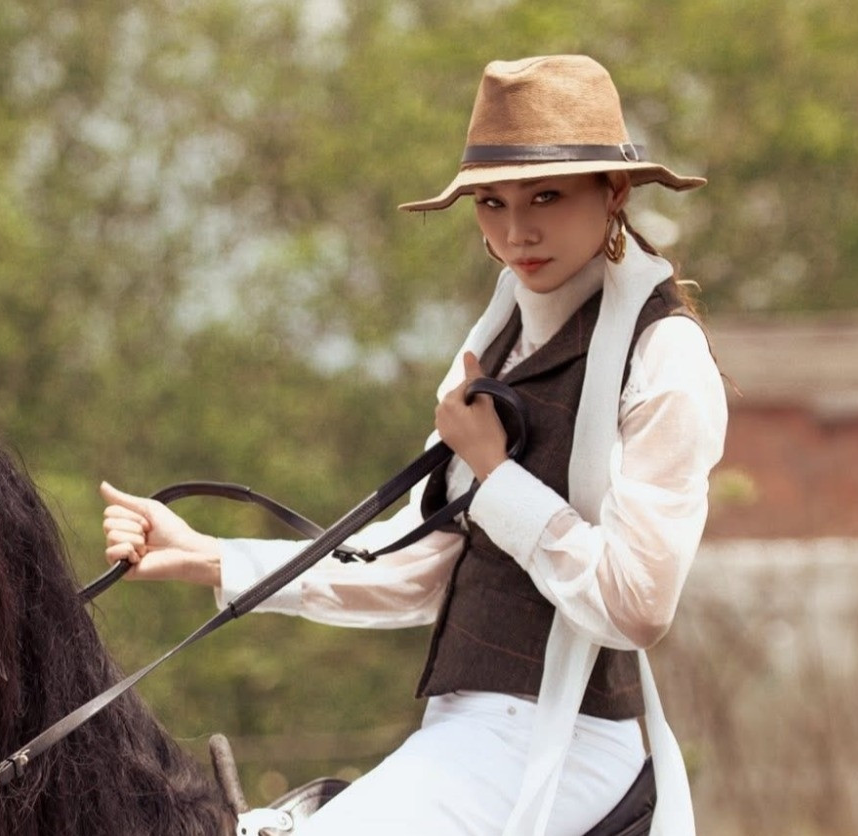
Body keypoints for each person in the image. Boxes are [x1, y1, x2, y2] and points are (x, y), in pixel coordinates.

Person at [100, 54, 726, 836]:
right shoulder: (496, 347)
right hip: (462, 729)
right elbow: (415, 573)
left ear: (615, 192)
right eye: (491, 203)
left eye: (545, 196)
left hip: (567, 739)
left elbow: (636, 605)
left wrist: (493, 473)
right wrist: (209, 557)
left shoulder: (663, 356)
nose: (515, 231)